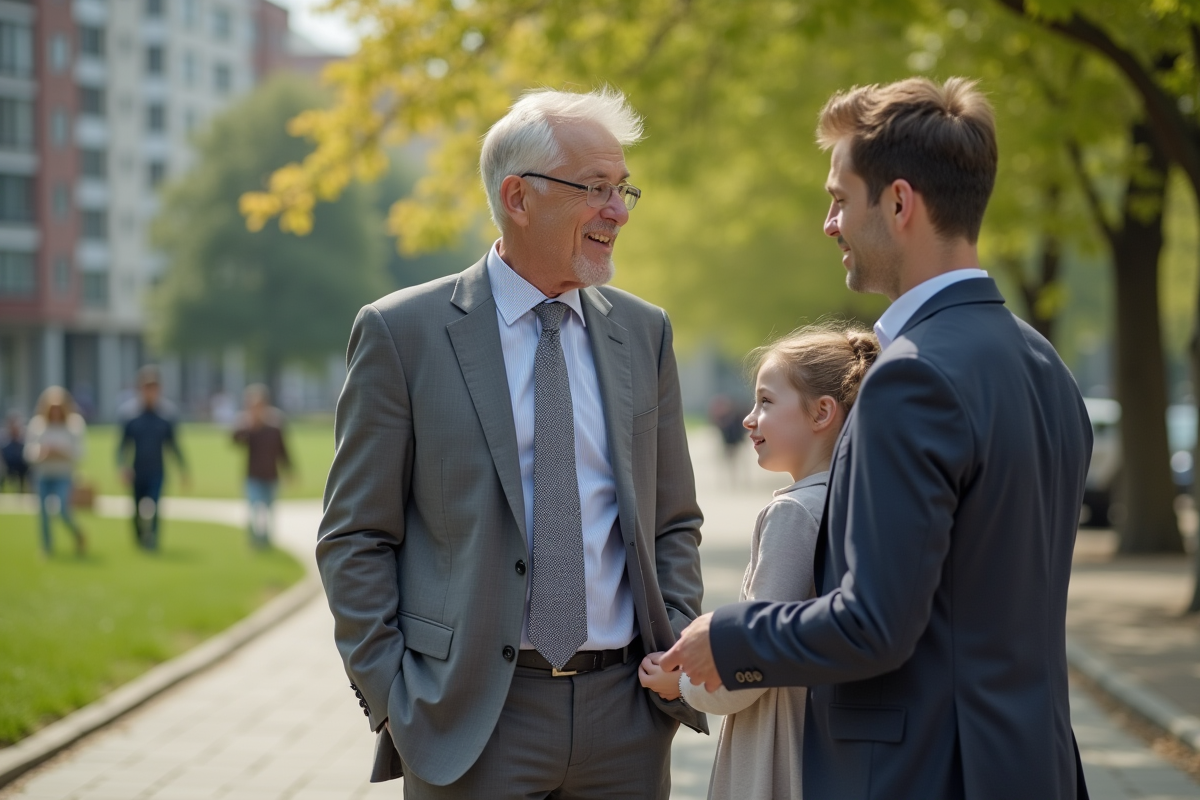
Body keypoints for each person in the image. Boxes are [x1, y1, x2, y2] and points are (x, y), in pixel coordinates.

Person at [662, 77, 1094, 799]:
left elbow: (874, 626)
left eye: (838, 199)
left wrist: (728, 640)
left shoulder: (911, 378)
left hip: (923, 774)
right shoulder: (1044, 365)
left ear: (898, 203)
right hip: (1034, 768)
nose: (829, 223)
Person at [317, 87, 706, 798]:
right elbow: (354, 536)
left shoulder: (644, 333)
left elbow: (673, 518)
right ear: (518, 197)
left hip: (628, 714)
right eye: (595, 188)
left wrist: (674, 642)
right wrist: (398, 695)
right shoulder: (402, 333)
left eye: (623, 190)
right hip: (470, 719)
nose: (618, 211)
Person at [642, 324, 878, 800]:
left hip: (782, 752)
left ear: (823, 413)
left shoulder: (794, 513)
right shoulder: (864, 499)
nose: (749, 419)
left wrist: (681, 684)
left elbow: (753, 662)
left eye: (767, 402)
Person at [118, 366, 189, 551]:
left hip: (157, 470)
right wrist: (122, 467)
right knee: (137, 509)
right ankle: (140, 538)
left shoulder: (166, 416)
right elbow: (122, 446)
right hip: (137, 470)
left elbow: (173, 445)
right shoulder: (130, 415)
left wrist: (183, 469)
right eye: (146, 387)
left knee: (155, 506)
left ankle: (154, 541)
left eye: (154, 387)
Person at [24, 387, 87, 556]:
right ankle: (47, 547)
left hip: (63, 474)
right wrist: (42, 453)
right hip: (43, 474)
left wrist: (61, 452)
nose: (56, 412)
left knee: (63, 510)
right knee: (43, 512)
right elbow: (29, 452)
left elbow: (80, 453)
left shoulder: (74, 425)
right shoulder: (38, 425)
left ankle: (77, 533)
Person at [232, 384, 292, 549]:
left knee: (269, 511)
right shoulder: (248, 426)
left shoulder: (275, 426)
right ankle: (253, 541)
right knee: (253, 510)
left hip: (271, 475)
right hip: (253, 475)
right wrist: (245, 425)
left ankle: (266, 541)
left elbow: (283, 450)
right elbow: (235, 441)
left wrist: (290, 471)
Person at [1, 411, 30, 492]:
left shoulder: (23, 438)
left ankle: (23, 490)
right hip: (8, 464)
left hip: (22, 465)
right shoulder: (4, 438)